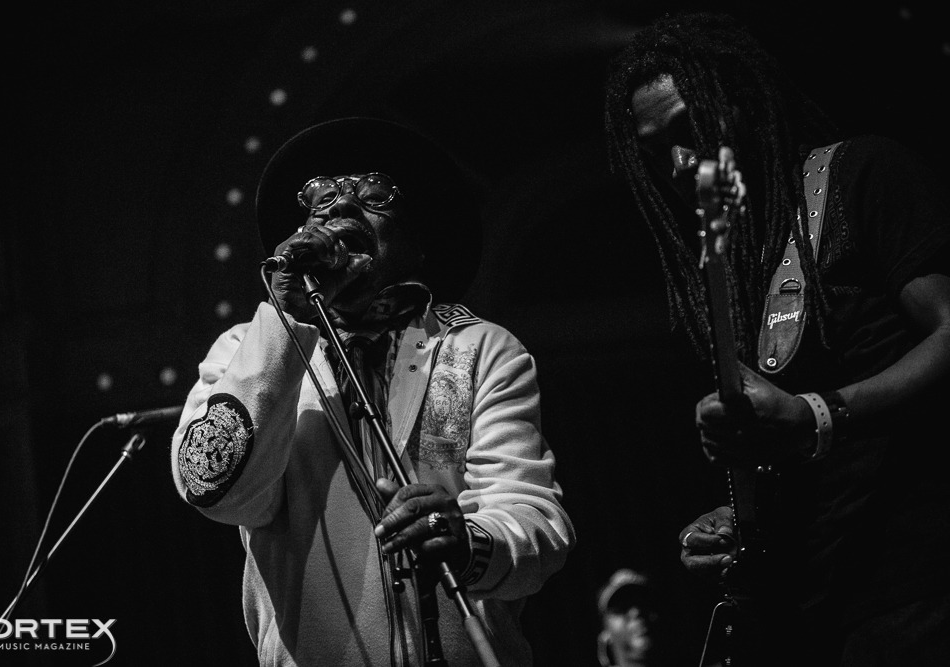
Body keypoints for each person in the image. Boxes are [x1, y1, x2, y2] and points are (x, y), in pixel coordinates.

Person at [603, 12, 950, 667]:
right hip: (815, 610)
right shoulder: (737, 263)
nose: (678, 165)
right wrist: (742, 517)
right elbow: (797, 447)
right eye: (655, 152)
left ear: (741, 101)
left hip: (918, 584)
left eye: (688, 129)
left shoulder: (862, 175)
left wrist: (818, 414)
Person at [170, 116, 574, 667]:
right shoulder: (246, 349)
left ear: (418, 241)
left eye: (374, 193)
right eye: (320, 197)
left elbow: (534, 520)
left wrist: (467, 541)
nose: (339, 206)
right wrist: (286, 320)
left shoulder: (478, 348)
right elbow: (211, 487)